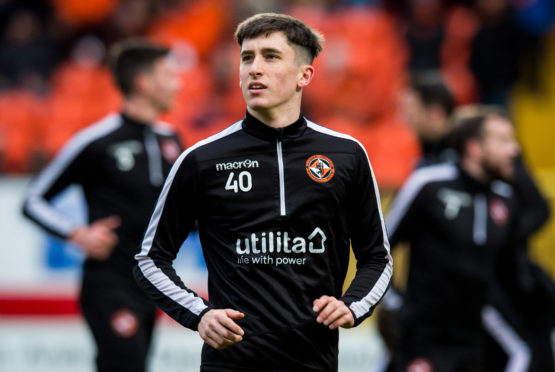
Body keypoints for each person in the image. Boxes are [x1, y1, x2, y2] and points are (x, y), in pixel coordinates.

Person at [133, 12, 392, 372]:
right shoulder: (201, 159)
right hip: (230, 365)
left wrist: (353, 306)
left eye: (271, 56)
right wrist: (200, 315)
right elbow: (149, 259)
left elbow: (377, 258)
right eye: (246, 57)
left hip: (314, 363)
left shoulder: (347, 155)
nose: (254, 68)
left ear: (305, 74)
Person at [22, 39, 182, 372]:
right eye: (168, 74)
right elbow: (33, 199)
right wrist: (76, 233)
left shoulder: (171, 139)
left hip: (151, 283)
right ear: (143, 82)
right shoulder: (97, 140)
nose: (177, 83)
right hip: (108, 282)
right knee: (125, 364)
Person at [386, 106, 520, 371]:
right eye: (503, 141)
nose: (513, 150)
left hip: (476, 341)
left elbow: (509, 270)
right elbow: (379, 246)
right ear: (474, 148)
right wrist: (394, 303)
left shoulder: (506, 198)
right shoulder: (428, 184)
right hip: (423, 338)